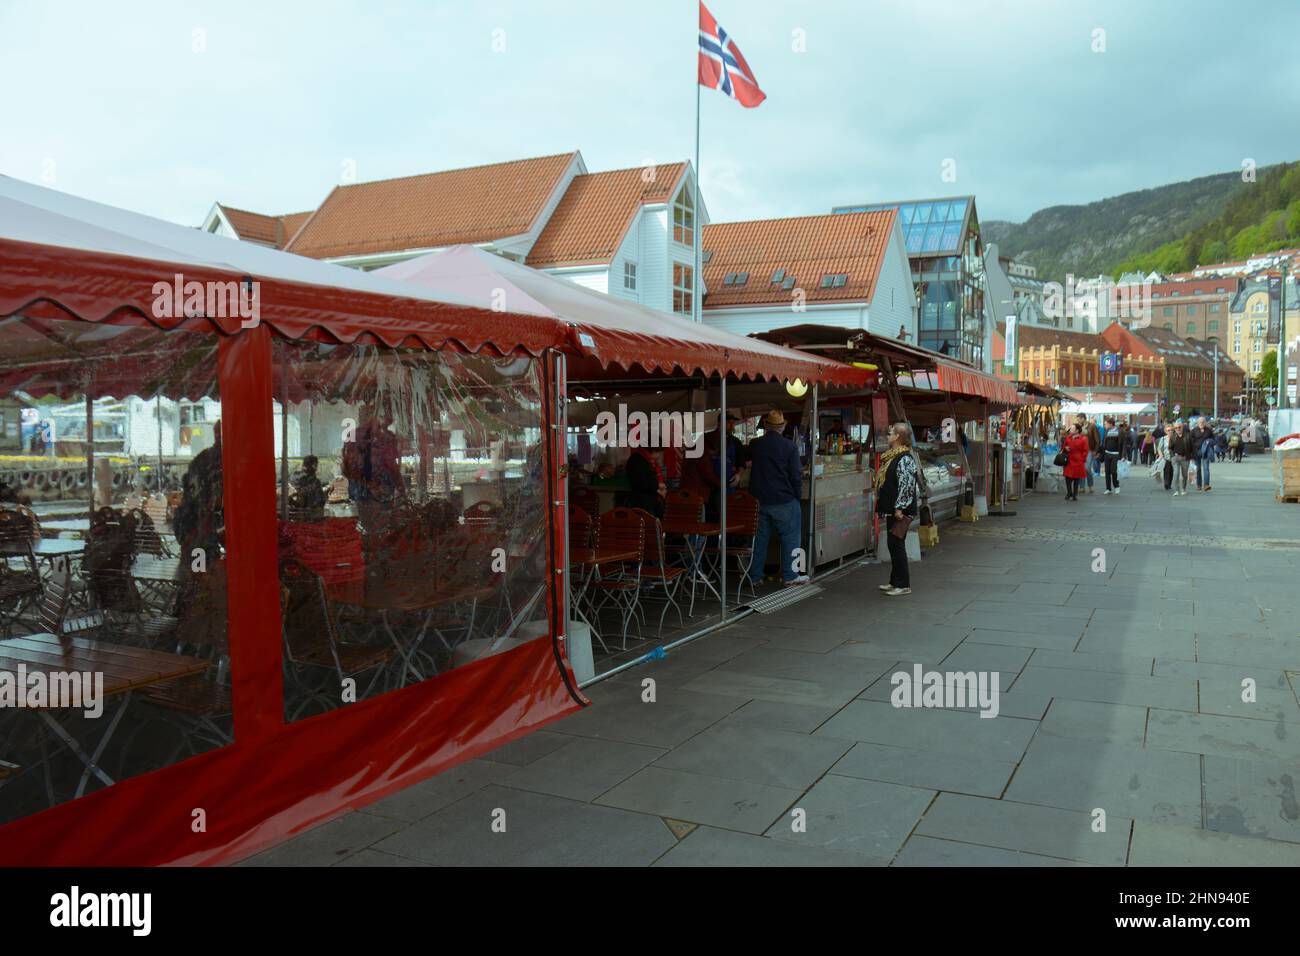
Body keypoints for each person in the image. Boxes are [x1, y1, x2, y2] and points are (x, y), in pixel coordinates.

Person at [747, 409, 809, 588]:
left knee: (760, 540)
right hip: (784, 500)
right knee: (791, 538)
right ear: (782, 427)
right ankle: (791, 576)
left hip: (759, 500)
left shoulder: (755, 444)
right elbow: (796, 476)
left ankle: (755, 576)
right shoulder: (789, 446)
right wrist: (797, 496)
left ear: (766, 426)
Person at [874, 422, 919, 596]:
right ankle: (895, 581)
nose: (888, 435)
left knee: (897, 544)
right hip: (894, 508)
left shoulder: (905, 458)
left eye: (891, 433)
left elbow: (907, 485)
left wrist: (900, 507)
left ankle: (903, 584)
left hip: (901, 510)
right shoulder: (893, 456)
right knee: (893, 544)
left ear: (898, 437)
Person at [624, 446, 665, 517]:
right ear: (652, 450)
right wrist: (658, 486)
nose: (659, 455)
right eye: (658, 452)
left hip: (648, 500)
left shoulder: (645, 459)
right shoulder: (638, 460)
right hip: (643, 503)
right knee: (648, 525)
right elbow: (641, 482)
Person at [1061, 420, 1090, 501]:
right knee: (1068, 477)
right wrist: (1065, 448)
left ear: (1077, 430)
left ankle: (1075, 494)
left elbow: (1085, 451)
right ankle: (1069, 493)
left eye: (1072, 429)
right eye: (1071, 429)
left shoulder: (1083, 439)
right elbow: (1063, 447)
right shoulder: (1068, 438)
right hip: (1069, 459)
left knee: (1076, 478)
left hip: (1078, 460)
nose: (1070, 430)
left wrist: (1082, 459)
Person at [1167, 419, 1194, 496]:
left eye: (1179, 427)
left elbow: (1192, 447)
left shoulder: (1188, 435)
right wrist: (1172, 456)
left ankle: (1183, 489)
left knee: (1185, 475)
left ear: (1182, 427)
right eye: (1176, 428)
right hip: (1175, 458)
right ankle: (1176, 490)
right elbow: (1170, 447)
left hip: (1185, 458)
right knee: (1176, 473)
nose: (1178, 429)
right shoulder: (1173, 436)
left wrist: (1192, 457)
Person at [1101, 416, 1123, 495]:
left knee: (1113, 471)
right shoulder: (1106, 431)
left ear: (1110, 424)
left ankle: (1116, 486)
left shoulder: (1119, 431)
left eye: (1106, 424)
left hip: (1115, 454)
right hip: (1107, 453)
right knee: (1107, 471)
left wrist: (1123, 455)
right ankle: (1108, 488)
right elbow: (1104, 442)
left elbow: (1123, 443)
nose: (1105, 425)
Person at [1193, 416, 1215, 492]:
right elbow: (1190, 441)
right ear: (1197, 423)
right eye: (1200, 422)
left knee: (1206, 468)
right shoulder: (1194, 430)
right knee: (1198, 469)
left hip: (1206, 452)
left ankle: (1206, 485)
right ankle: (1199, 485)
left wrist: (1210, 441)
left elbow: (1214, 440)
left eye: (1203, 422)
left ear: (1205, 423)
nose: (1201, 423)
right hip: (1196, 452)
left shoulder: (1209, 430)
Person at [1081, 414, 1101, 494]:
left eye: (1079, 419)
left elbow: (1097, 439)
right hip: (1080, 450)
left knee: (1087, 468)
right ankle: (1082, 487)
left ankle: (1090, 485)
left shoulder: (1092, 426)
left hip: (1089, 449)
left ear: (1083, 418)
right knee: (1081, 468)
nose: (1078, 420)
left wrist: (1096, 450)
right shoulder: (1078, 426)